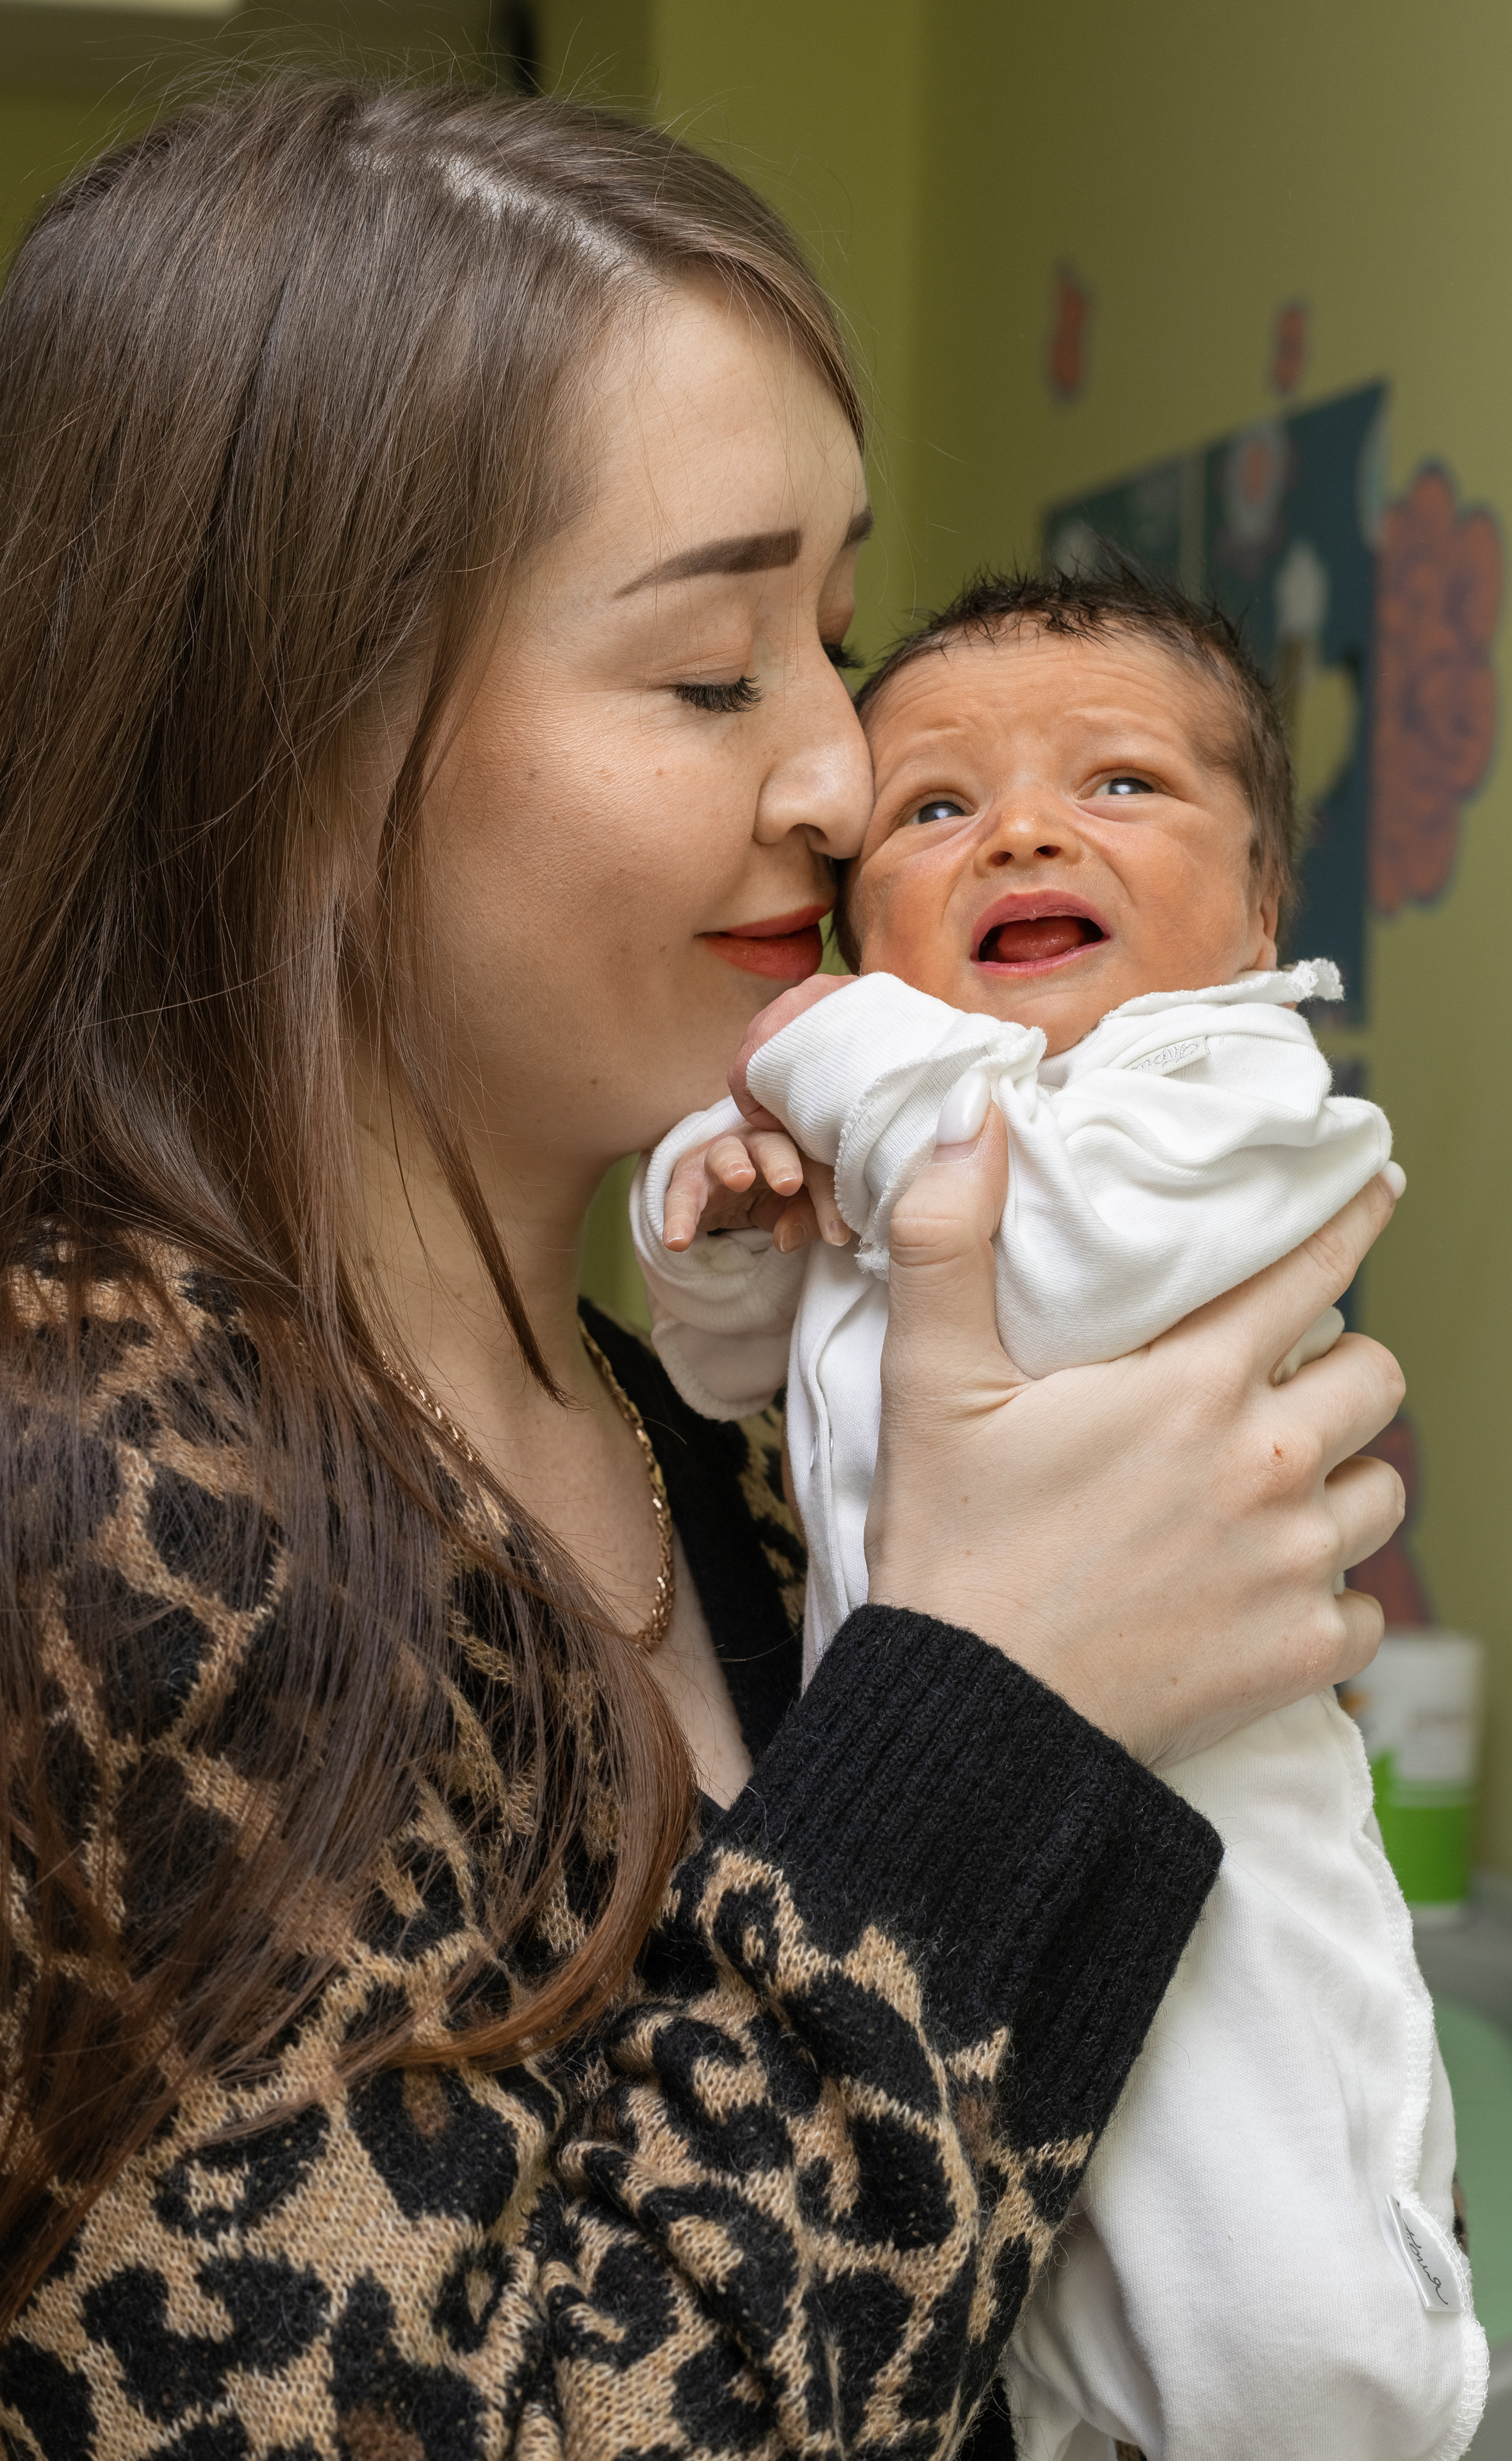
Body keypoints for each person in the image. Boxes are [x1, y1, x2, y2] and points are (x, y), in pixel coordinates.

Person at [0, 83, 1407, 2461]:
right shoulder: (28, 1474)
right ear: (292, 739)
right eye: (712, 672)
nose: (844, 778)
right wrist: (1012, 1706)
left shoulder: (705, 1421)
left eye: (834, 639)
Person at [631, 567, 1486, 2457]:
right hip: (973, 1875)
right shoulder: (888, 1118)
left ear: (1259, 907)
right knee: (1037, 2333)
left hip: (1223, 1873)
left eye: (1120, 785)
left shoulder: (1240, 1095)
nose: (1020, 831)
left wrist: (840, 1063)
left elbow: (1076, 1266)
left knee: (1283, 2344)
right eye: (935, 808)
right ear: (858, 920)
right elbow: (726, 1368)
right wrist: (726, 1219)